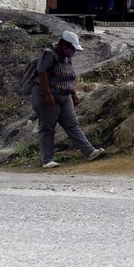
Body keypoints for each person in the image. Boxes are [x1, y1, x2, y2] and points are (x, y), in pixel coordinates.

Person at [31, 31, 105, 168]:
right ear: (63, 44)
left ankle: (89, 152)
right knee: (48, 127)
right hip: (47, 96)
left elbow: (68, 76)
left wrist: (73, 92)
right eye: (72, 48)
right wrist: (48, 95)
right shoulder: (49, 54)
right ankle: (47, 160)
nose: (73, 52)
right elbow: (42, 74)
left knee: (72, 124)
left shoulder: (66, 57)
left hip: (64, 95)